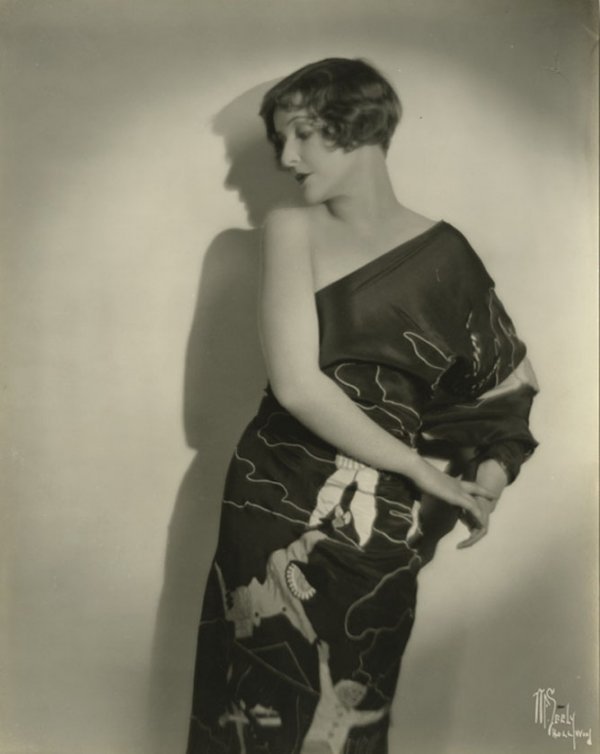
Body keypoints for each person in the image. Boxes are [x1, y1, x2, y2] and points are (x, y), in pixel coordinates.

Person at [185, 57, 538, 754]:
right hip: (274, 498)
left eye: (303, 133)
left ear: (360, 126)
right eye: (280, 139)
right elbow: (297, 385)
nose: (286, 158)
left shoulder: (447, 255)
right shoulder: (292, 228)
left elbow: (505, 392)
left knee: (349, 716)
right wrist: (426, 471)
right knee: (253, 711)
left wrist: (486, 482)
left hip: (380, 529)